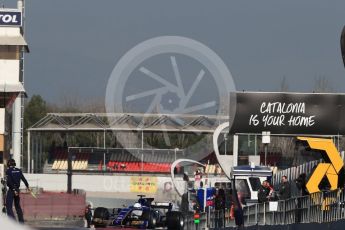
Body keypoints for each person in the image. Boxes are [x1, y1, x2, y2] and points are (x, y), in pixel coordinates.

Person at [5, 159, 30, 223]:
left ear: (9, 164)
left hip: (11, 190)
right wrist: (27, 186)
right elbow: (24, 179)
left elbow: (9, 181)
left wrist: (13, 189)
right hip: (17, 190)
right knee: (17, 206)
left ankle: (12, 222)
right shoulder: (19, 170)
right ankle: (21, 222)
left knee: (8, 206)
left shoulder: (8, 171)